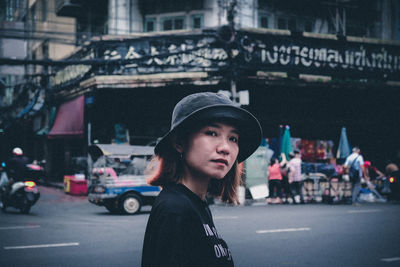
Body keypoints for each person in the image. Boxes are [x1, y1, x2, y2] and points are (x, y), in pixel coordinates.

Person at [141, 92, 262, 267]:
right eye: (212, 133)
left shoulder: (195, 203)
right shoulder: (175, 208)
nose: (225, 148)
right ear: (179, 142)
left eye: (233, 138)